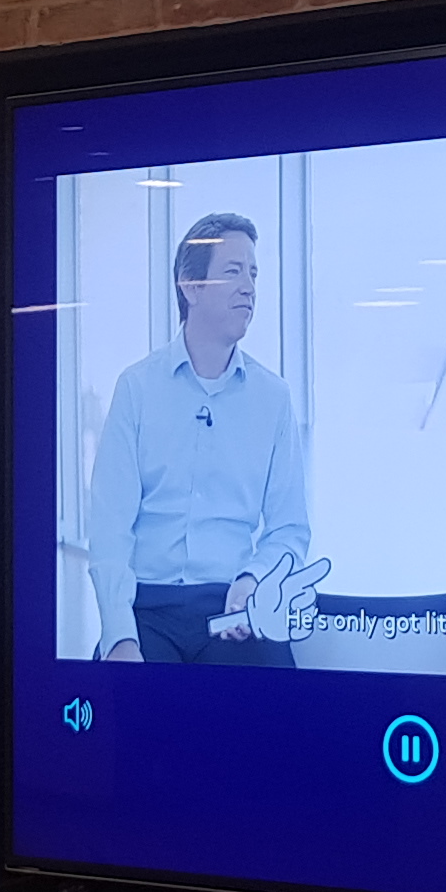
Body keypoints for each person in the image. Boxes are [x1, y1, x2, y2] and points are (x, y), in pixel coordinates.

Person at [84, 210, 323, 665]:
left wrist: (253, 580)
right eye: (233, 271)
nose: (249, 287)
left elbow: (289, 528)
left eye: (253, 273)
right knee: (124, 694)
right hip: (146, 608)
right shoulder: (137, 388)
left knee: (274, 693)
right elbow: (109, 528)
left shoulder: (273, 398)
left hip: (233, 605)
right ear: (190, 286)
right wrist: (119, 636)